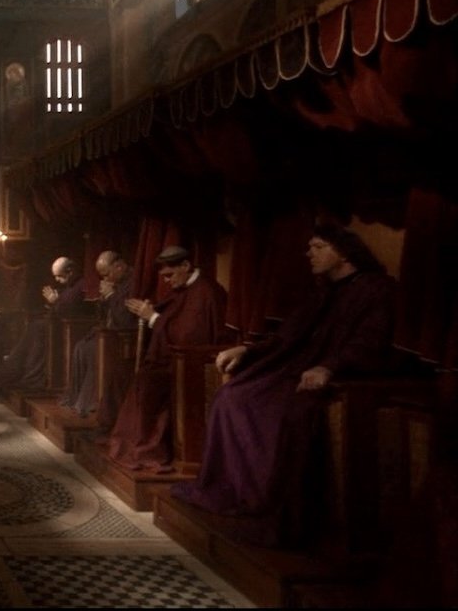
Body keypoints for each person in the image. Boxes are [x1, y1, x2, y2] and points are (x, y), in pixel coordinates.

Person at [171, 225, 398, 548]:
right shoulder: (323, 291)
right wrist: (246, 350)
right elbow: (286, 337)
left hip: (340, 378)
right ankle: (238, 490)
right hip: (295, 370)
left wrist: (329, 367)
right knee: (230, 396)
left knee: (285, 414)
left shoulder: (378, 289)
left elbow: (370, 342)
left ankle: (270, 500)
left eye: (318, 247)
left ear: (344, 252)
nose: (309, 253)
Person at [103, 245, 232, 473]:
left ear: (186, 266)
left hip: (194, 366)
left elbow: (189, 337)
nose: (166, 281)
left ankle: (145, 448)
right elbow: (171, 316)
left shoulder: (206, 292)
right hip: (171, 360)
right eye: (163, 276)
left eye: (170, 275)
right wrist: (152, 312)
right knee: (123, 373)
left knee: (148, 383)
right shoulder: (183, 288)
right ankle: (123, 438)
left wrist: (152, 317)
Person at [0, 256, 89, 398]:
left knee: (36, 331)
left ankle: (22, 379)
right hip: (53, 328)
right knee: (29, 337)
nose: (57, 280)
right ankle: (3, 378)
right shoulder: (68, 286)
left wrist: (55, 301)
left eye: (60, 276)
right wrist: (54, 303)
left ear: (70, 271)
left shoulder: (81, 286)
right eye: (55, 276)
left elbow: (71, 313)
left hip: (66, 331)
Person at [60, 250, 139, 418]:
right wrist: (104, 299)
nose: (106, 279)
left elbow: (125, 318)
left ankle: (93, 402)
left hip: (124, 337)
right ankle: (77, 397)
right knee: (80, 347)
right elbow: (104, 315)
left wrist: (111, 296)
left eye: (107, 274)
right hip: (109, 333)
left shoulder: (134, 282)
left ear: (119, 266)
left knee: (93, 350)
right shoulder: (116, 281)